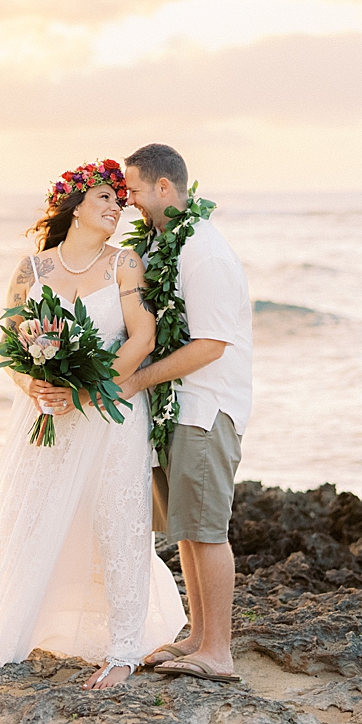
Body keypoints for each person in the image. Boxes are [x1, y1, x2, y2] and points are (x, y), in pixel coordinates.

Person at [0, 160, 186, 690]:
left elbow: (141, 339)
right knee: (27, 512)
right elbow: (10, 348)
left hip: (109, 414)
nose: (116, 207)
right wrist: (32, 386)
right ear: (75, 205)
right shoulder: (32, 270)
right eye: (104, 197)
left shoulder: (124, 264)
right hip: (44, 413)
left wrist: (86, 392)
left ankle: (123, 649)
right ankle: (9, 633)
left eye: (120, 201)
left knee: (118, 522)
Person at [119, 143, 253, 684]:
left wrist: (139, 379)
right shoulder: (165, 245)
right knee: (188, 530)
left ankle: (218, 650)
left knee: (207, 528)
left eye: (132, 190)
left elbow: (212, 344)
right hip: (176, 408)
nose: (128, 202)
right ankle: (197, 637)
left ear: (164, 189)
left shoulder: (204, 252)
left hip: (205, 408)